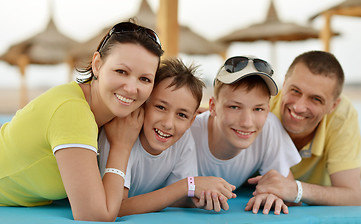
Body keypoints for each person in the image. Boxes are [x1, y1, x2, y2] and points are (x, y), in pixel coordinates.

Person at [0, 21, 164, 221]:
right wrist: (121, 147)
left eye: (145, 79)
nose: (131, 88)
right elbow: (95, 216)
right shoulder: (73, 112)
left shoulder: (103, 109)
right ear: (97, 64)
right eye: (121, 71)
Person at [98, 58, 236, 217]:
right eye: (161, 107)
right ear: (143, 104)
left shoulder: (184, 140)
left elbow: (174, 195)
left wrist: (195, 199)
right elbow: (116, 207)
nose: (168, 124)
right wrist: (187, 186)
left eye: (182, 115)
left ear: (192, 121)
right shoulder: (120, 133)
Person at [190, 56, 302, 215]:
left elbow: (288, 189)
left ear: (267, 110)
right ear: (213, 107)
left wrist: (275, 195)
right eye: (234, 107)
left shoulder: (269, 126)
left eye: (258, 109)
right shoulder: (189, 132)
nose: (247, 122)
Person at [249, 50, 361, 206]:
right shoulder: (256, 104)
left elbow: (354, 196)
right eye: (295, 91)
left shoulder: (342, 116)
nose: (299, 107)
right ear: (284, 83)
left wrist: (296, 190)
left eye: (316, 99)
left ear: (333, 106)